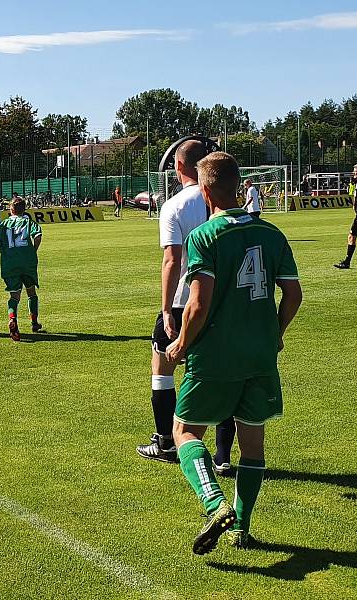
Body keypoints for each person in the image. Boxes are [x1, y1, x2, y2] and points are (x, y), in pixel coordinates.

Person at [164, 151, 302, 554]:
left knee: (185, 431)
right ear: (241, 187)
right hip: (260, 357)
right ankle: (241, 527)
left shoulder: (204, 237)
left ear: (205, 192)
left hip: (215, 357)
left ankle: (214, 503)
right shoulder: (272, 234)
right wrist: (274, 333)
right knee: (252, 443)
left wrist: (181, 343)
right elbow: (293, 294)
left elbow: (198, 304)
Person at [137, 140, 236, 471]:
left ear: (179, 167)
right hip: (222, 299)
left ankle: (166, 440)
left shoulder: (175, 206)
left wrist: (166, 308)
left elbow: (172, 259)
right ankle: (223, 455)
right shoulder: (226, 200)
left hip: (183, 300)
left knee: (162, 369)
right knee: (223, 371)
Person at [0, 196, 43, 341]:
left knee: (14, 296)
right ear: (24, 209)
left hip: (10, 264)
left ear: (11, 209)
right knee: (31, 292)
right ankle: (34, 323)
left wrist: (8, 252)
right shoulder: (28, 222)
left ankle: (13, 318)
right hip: (28, 262)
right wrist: (33, 250)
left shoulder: (3, 224)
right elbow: (38, 235)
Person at [333, 163, 357, 269]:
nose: (353, 173)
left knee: (352, 236)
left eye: (356, 171)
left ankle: (347, 262)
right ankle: (347, 262)